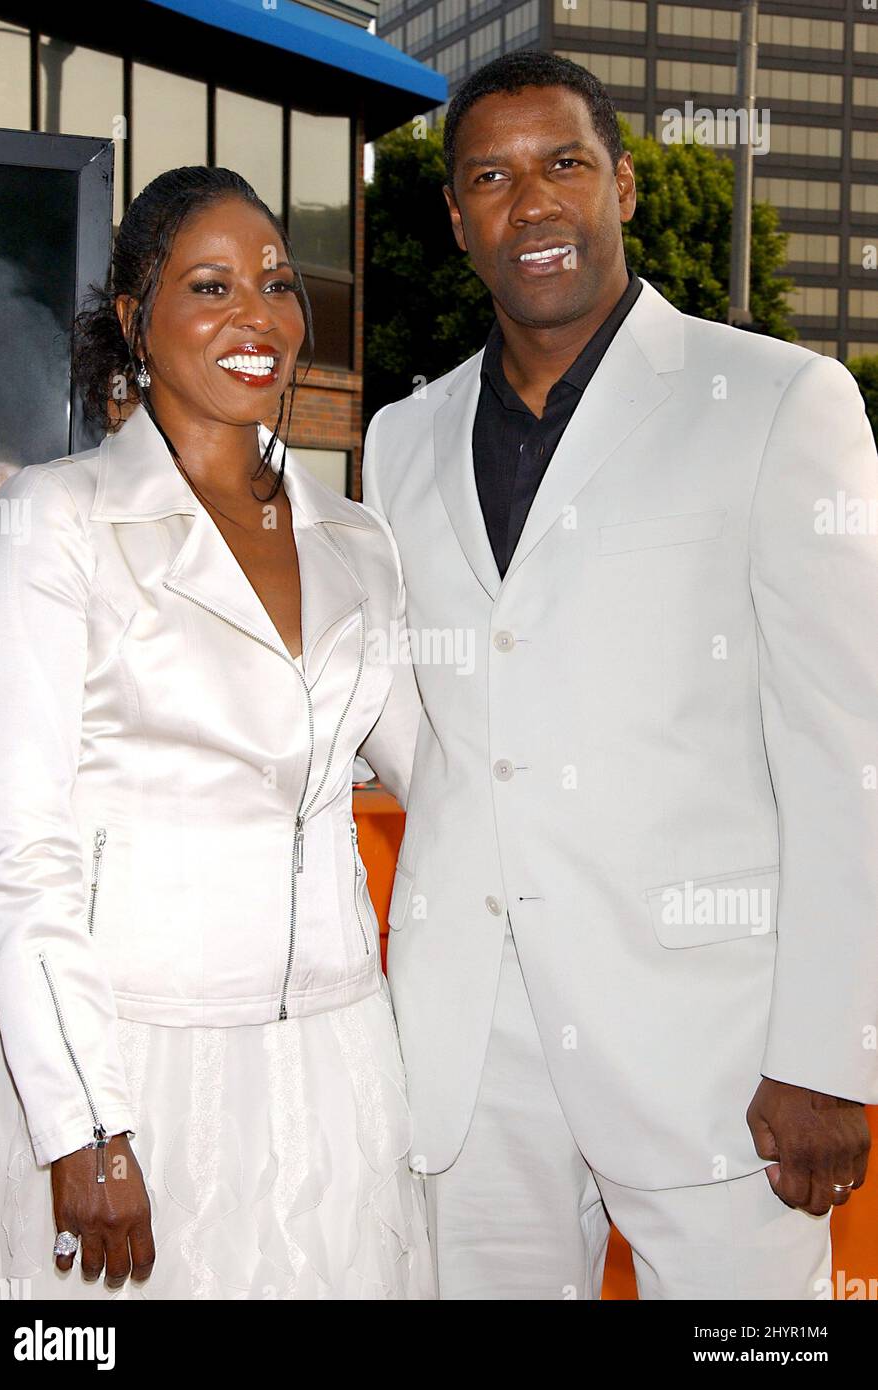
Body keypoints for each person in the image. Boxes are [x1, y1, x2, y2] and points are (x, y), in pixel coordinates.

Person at [361, 52, 878, 1300]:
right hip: (472, 1048)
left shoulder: (775, 400)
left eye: (563, 163)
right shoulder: (398, 437)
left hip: (713, 1052)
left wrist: (828, 1049)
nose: (531, 201)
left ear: (623, 186)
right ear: (456, 219)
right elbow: (430, 718)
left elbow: (843, 748)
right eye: (490, 177)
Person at [0, 165, 434, 1300]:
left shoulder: (358, 541)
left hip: (336, 1067)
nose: (256, 316)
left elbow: (450, 778)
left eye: (276, 283)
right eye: (210, 286)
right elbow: (20, 843)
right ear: (136, 317)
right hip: (129, 1064)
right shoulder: (57, 519)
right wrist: (84, 1123)